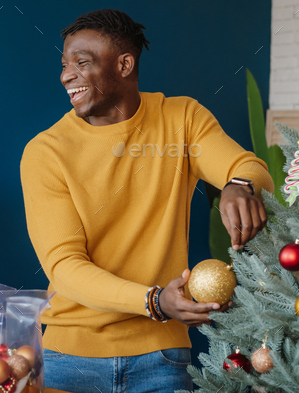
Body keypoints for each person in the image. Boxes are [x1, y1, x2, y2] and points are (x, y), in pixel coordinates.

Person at [20, 9, 273, 393]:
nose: (66, 75)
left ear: (124, 64)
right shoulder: (46, 152)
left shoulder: (182, 118)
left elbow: (249, 167)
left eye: (81, 63)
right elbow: (65, 267)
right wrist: (154, 301)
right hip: (69, 360)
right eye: (64, 64)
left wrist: (240, 185)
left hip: (162, 358)